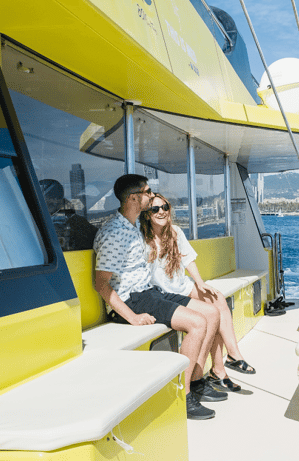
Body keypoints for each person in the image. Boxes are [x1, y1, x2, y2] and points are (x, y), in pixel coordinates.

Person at [93, 174, 226, 420]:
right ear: (133, 198)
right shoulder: (114, 232)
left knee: (211, 313)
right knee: (197, 323)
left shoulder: (131, 225)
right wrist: (132, 317)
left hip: (148, 293)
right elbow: (101, 284)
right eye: (147, 191)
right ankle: (183, 396)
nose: (152, 195)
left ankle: (196, 380)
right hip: (133, 299)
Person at [139, 194, 255, 393]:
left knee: (217, 299)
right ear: (147, 215)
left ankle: (233, 355)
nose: (161, 212)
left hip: (182, 285)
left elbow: (188, 259)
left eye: (165, 206)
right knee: (211, 314)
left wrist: (200, 283)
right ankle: (218, 371)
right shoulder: (141, 238)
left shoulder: (174, 232)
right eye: (155, 209)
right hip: (164, 292)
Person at [39, 179, 97, 250]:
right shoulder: (43, 222)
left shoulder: (79, 225)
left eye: (43, 200)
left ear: (55, 199)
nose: (39, 205)